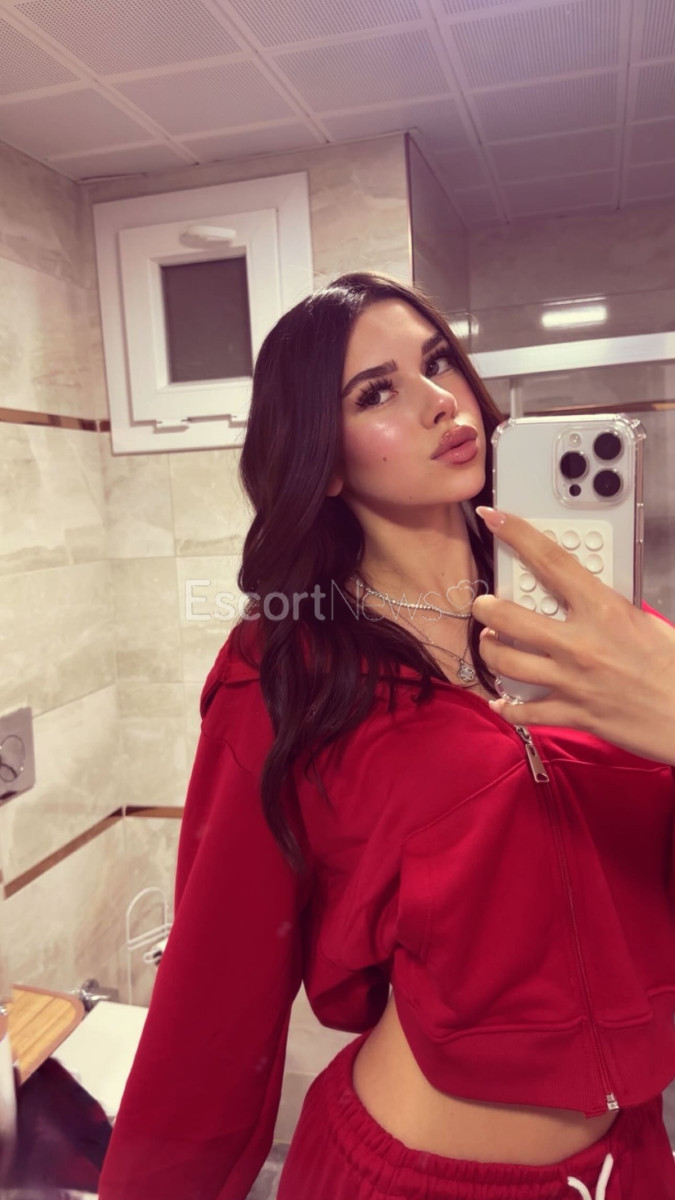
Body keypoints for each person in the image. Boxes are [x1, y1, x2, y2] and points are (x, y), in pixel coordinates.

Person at [98, 273, 675, 1200]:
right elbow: (214, 995)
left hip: (632, 1163)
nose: (440, 400)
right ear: (323, 462)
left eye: (437, 362)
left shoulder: (608, 638)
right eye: (376, 393)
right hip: (405, 1178)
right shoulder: (283, 675)